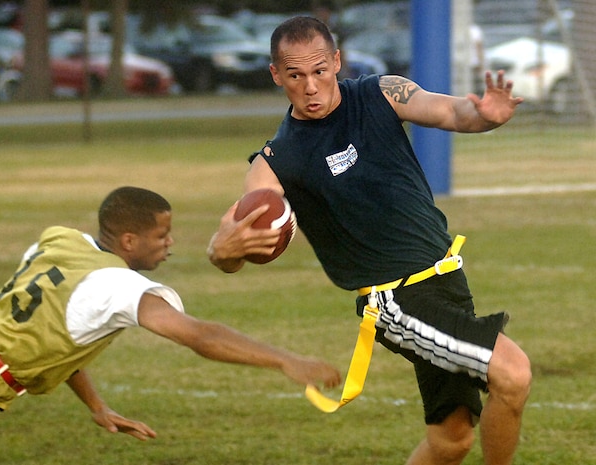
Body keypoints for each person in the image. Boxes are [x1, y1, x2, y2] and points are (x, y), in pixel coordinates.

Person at [207, 16, 531, 465]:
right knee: (512, 374)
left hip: (447, 282)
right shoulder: (277, 160)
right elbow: (243, 227)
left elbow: (451, 111)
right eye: (296, 75)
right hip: (394, 301)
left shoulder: (381, 93)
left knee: (450, 440)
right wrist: (220, 252)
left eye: (320, 70)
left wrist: (484, 116)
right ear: (276, 75)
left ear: (337, 61)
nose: (311, 86)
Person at [0, 186, 341, 453]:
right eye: (162, 236)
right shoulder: (117, 285)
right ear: (129, 241)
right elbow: (200, 335)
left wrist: (96, 406)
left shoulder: (59, 239)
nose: (170, 243)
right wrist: (285, 360)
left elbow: (57, 329)